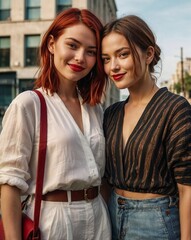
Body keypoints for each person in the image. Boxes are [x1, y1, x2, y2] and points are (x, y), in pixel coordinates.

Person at [0, 8, 111, 240]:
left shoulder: (95, 109)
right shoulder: (29, 104)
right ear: (52, 44)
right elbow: (9, 183)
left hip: (99, 218)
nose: (80, 57)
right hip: (54, 220)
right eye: (72, 45)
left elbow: (103, 177)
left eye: (91, 52)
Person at [101, 15, 191, 240]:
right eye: (106, 58)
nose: (114, 66)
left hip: (156, 223)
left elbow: (188, 188)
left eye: (123, 54)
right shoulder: (111, 113)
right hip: (111, 218)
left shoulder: (174, 109)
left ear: (149, 54)